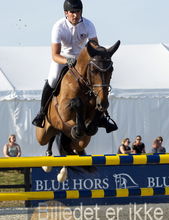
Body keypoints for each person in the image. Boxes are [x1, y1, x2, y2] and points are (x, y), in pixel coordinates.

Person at [31, 0, 117, 133]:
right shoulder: (58, 26)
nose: (76, 15)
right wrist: (67, 61)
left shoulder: (88, 24)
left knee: (98, 82)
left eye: (78, 12)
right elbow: (55, 55)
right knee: (53, 79)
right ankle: (42, 112)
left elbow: (95, 47)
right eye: (72, 12)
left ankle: (102, 117)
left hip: (83, 59)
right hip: (63, 58)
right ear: (66, 13)